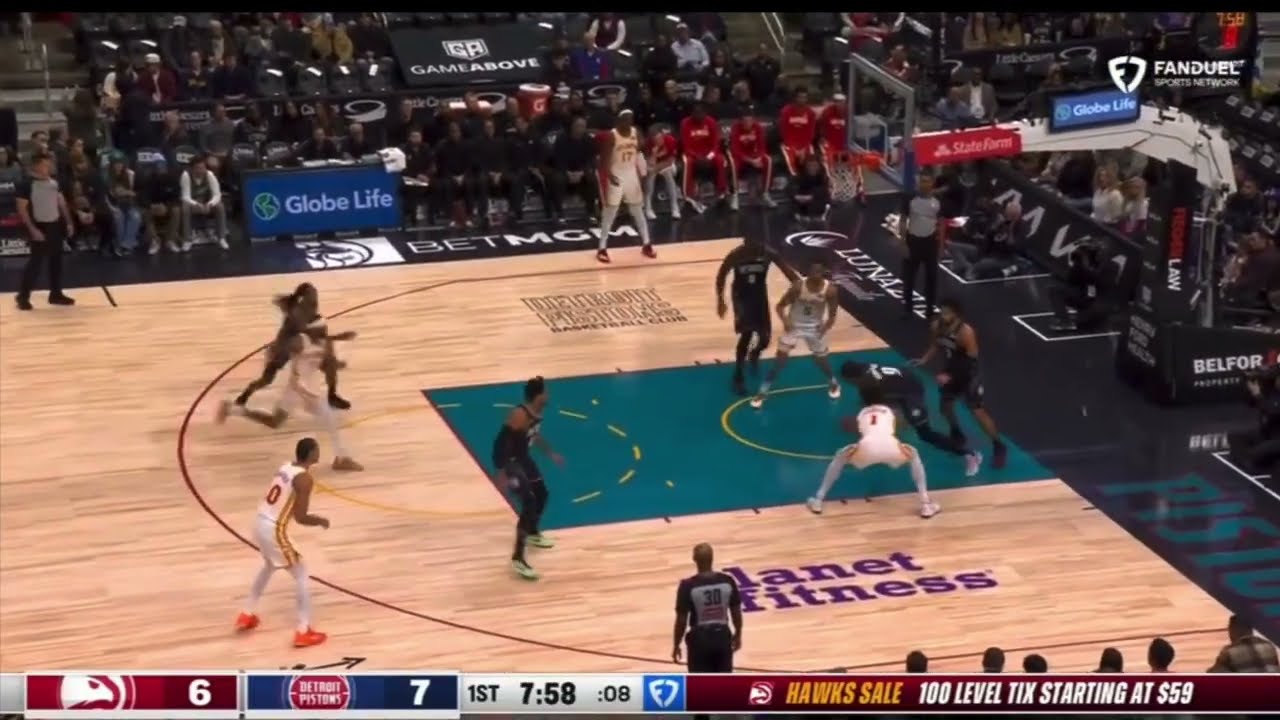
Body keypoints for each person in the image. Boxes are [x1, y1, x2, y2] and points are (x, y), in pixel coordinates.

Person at [219, 324, 364, 472]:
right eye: (320, 328)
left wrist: (338, 364)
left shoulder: (324, 343)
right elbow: (281, 347)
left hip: (305, 390)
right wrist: (272, 353)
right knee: (329, 419)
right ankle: (342, 459)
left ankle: (233, 409)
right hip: (300, 389)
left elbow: (323, 364)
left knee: (275, 421)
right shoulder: (301, 341)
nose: (323, 330)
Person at [233, 437, 330, 648]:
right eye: (317, 449)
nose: (319, 452)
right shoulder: (304, 479)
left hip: (259, 521)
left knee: (269, 566)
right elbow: (301, 517)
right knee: (302, 573)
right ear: (311, 454)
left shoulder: (285, 467)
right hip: (273, 529)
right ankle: (303, 631)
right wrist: (320, 521)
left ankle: (247, 613)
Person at [806, 383, 940, 518]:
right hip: (891, 447)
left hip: (866, 449)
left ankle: (818, 500)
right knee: (913, 454)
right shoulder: (888, 411)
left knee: (840, 456)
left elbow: (859, 431)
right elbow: (895, 428)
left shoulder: (862, 413)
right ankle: (926, 504)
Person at [840, 360, 982, 476]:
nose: (849, 384)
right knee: (879, 411)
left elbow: (875, 407)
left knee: (925, 433)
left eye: (848, 381)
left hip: (910, 393)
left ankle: (970, 454)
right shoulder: (865, 369)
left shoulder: (867, 382)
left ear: (853, 378)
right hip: (905, 381)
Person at [913, 299, 1007, 469]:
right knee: (945, 407)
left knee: (977, 411)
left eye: (947, 313)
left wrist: (949, 374)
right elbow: (935, 344)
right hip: (950, 371)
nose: (944, 316)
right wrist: (924, 359)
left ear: (957, 315)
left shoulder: (966, 332)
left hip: (969, 374)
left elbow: (971, 360)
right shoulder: (937, 326)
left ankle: (998, 445)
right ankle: (957, 433)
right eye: (942, 312)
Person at [234, 283, 353, 411]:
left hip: (300, 348)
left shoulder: (310, 312)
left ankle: (332, 395)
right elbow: (312, 337)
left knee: (329, 361)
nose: (315, 299)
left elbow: (307, 288)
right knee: (266, 380)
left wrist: (294, 296)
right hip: (283, 349)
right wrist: (339, 337)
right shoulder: (295, 319)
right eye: (312, 296)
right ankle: (246, 394)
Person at [493, 377, 564, 580]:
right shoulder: (519, 414)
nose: (548, 395)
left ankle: (532, 531)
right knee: (529, 503)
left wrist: (550, 453)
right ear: (538, 395)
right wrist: (502, 472)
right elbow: (502, 444)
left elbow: (533, 435)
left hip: (523, 458)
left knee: (542, 494)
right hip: (511, 461)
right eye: (546, 392)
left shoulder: (537, 413)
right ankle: (518, 558)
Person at [750, 260, 842, 409]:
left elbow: (832, 315)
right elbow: (780, 306)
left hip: (814, 328)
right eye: (812, 272)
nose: (815, 275)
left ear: (822, 274)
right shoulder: (798, 287)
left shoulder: (830, 290)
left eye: (818, 273)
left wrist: (824, 328)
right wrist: (785, 320)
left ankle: (833, 382)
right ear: (809, 273)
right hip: (794, 325)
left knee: (821, 360)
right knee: (780, 361)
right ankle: (763, 391)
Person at [716, 239, 799, 395]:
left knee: (765, 339)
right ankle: (738, 377)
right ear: (746, 242)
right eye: (751, 243)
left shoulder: (768, 253)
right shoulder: (737, 254)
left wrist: (797, 285)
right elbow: (721, 275)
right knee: (746, 334)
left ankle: (755, 353)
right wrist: (720, 300)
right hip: (741, 296)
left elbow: (790, 273)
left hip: (759, 296)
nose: (754, 247)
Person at [14, 152, 75, 311]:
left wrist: (68, 222)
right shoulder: (26, 184)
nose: (50, 167)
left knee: (56, 261)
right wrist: (32, 229)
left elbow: (61, 203)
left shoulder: (54, 182)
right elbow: (22, 209)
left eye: (50, 164)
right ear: (37, 165)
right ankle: (23, 296)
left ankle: (56, 294)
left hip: (54, 224)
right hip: (39, 225)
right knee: (36, 262)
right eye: (46, 164)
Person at [673, 543, 743, 674]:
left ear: (694, 559)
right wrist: (738, 633)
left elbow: (681, 620)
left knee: (701, 683)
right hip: (722, 637)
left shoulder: (687, 586)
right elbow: (736, 612)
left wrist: (676, 644)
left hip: (700, 640)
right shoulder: (727, 581)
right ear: (712, 558)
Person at [596, 110, 655, 263]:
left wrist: (644, 173)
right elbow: (604, 160)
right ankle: (602, 248)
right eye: (625, 119)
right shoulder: (612, 136)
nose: (628, 122)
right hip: (616, 174)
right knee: (610, 212)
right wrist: (610, 176)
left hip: (631, 175)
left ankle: (646, 244)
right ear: (619, 120)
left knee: (637, 210)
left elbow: (639, 153)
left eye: (630, 119)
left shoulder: (636, 133)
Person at [899, 174, 943, 319]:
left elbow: (941, 223)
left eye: (927, 181)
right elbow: (903, 220)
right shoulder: (909, 198)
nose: (924, 184)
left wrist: (941, 246)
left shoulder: (938, 201)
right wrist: (903, 242)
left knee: (932, 276)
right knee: (909, 276)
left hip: (930, 242)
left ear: (932, 183)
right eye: (922, 181)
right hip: (913, 241)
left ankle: (930, 308)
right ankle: (908, 307)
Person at [679, 103, 728, 214]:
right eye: (696, 113)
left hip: (708, 154)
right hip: (692, 154)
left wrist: (709, 157)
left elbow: (715, 144)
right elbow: (686, 145)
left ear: (705, 113)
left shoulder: (711, 122)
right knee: (687, 162)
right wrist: (697, 157)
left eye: (701, 113)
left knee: (721, 160)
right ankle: (688, 195)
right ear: (692, 113)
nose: (699, 115)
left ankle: (721, 193)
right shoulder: (685, 123)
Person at [728, 108, 776, 208]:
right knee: (733, 163)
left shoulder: (758, 127)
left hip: (754, 155)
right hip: (740, 156)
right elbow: (735, 149)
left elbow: (762, 147)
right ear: (741, 121)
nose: (748, 123)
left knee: (768, 160)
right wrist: (750, 161)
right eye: (745, 121)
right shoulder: (735, 128)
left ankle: (765, 193)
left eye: (750, 121)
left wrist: (758, 158)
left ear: (753, 120)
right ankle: (735, 195)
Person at [643, 124, 681, 220]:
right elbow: (649, 162)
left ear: (662, 135)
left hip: (668, 165)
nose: (657, 141)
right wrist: (654, 153)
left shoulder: (670, 140)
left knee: (668, 174)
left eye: (659, 138)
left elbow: (670, 161)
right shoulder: (648, 143)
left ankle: (675, 208)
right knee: (650, 177)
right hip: (654, 165)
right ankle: (648, 208)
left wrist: (655, 169)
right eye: (655, 139)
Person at [779, 87, 817, 177]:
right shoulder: (786, 111)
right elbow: (783, 133)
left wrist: (803, 149)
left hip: (805, 144)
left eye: (804, 97)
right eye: (800, 97)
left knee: (812, 159)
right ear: (795, 98)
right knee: (789, 158)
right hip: (789, 144)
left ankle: (812, 180)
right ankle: (794, 178)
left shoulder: (811, 113)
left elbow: (811, 134)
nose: (802, 99)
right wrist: (795, 150)